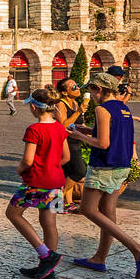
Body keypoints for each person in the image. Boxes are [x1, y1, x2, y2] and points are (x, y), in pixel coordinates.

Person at [66, 72, 140, 278]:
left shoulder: (102, 109)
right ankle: (99, 258)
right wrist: (87, 130)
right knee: (108, 210)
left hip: (104, 166)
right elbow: (113, 135)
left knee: (87, 209)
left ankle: (137, 249)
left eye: (92, 90)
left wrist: (78, 135)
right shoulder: (123, 107)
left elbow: (103, 143)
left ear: (100, 89)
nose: (91, 94)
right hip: (121, 165)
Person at [6, 86, 70, 279]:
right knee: (49, 223)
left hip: (36, 182)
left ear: (34, 107)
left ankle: (46, 255)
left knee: (13, 213)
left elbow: (28, 161)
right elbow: (66, 157)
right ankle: (48, 270)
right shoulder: (60, 127)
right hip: (57, 181)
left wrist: (19, 170)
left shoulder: (34, 129)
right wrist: (51, 167)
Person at [54, 77, 86, 211]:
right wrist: (79, 111)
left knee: (68, 173)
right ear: (64, 92)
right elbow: (63, 125)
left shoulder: (76, 103)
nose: (77, 88)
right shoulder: (60, 104)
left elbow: (79, 124)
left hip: (75, 141)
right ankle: (58, 196)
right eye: (73, 87)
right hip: (65, 143)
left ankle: (67, 203)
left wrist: (88, 134)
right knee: (80, 171)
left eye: (77, 85)